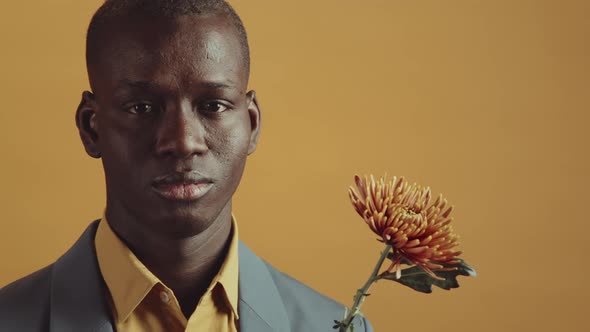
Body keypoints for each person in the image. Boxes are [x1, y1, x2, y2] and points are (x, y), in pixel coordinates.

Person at [0, 0, 373, 331]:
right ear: (91, 128)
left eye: (213, 106)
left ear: (252, 124)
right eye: (142, 108)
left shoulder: (337, 326)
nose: (182, 142)